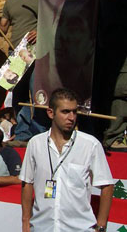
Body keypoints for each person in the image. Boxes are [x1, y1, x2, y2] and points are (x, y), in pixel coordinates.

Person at [20, 88, 114, 232]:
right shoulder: (35, 143)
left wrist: (101, 227)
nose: (71, 117)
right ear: (51, 113)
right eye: (65, 112)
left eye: (74, 112)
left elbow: (107, 185)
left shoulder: (90, 144)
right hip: (42, 227)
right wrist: (26, 221)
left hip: (79, 228)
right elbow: (27, 182)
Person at [0, 0, 46, 142]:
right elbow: (3, 29)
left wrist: (41, 30)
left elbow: (52, 21)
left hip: (36, 52)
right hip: (17, 54)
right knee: (18, 96)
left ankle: (40, 133)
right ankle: (22, 133)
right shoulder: (10, 3)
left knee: (38, 93)